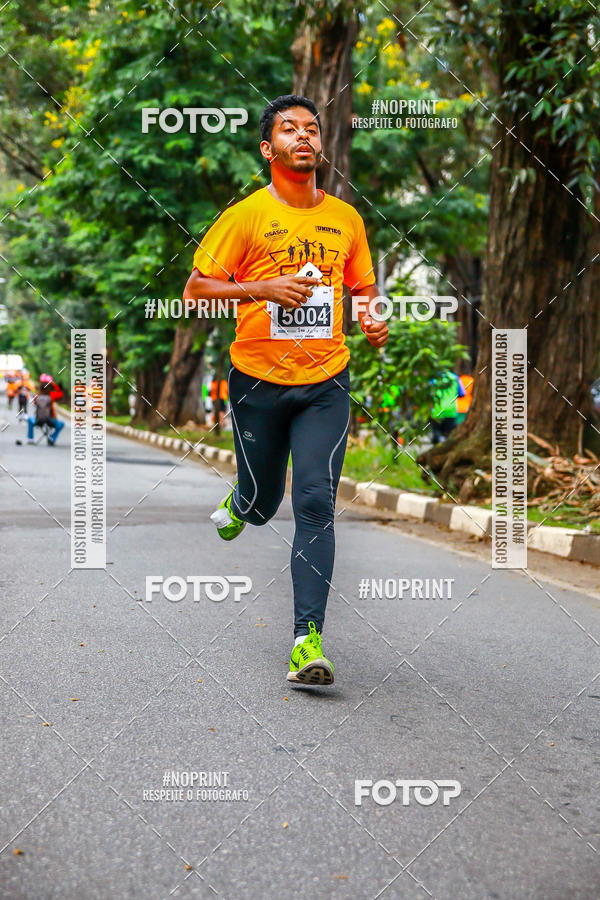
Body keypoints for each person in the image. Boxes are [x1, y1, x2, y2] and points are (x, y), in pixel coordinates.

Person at [183, 94, 388, 686]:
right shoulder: (246, 215)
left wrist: (373, 318)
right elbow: (197, 287)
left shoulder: (347, 220)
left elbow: (365, 290)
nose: (305, 136)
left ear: (321, 146)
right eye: (290, 129)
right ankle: (242, 500)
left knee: (317, 501)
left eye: (313, 129)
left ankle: (306, 640)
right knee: (264, 501)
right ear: (269, 148)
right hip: (256, 382)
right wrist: (264, 288)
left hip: (325, 381)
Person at [27, 374, 65, 445]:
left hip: (38, 420)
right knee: (61, 424)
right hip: (50, 420)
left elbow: (34, 403)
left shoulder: (37, 395)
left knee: (30, 420)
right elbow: (60, 393)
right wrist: (53, 384)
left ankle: (30, 438)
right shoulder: (52, 395)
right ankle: (52, 438)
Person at [430, 371, 465, 445]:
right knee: (449, 435)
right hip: (450, 411)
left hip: (437, 410)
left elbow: (428, 394)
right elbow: (462, 394)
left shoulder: (434, 379)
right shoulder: (455, 378)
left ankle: (438, 445)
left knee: (437, 432)